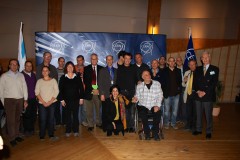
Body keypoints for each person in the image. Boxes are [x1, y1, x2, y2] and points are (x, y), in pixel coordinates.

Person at [0, 59, 28, 147]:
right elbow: (1, 91)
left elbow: (24, 87)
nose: (14, 66)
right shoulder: (4, 76)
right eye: (12, 64)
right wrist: (3, 103)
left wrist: (25, 99)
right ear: (9, 66)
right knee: (10, 121)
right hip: (9, 100)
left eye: (16, 64)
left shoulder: (21, 75)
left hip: (20, 99)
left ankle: (16, 135)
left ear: (18, 66)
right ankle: (12, 138)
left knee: (17, 119)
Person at [193, 51, 219, 139]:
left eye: (206, 57)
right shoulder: (197, 69)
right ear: (201, 59)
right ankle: (198, 129)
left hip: (208, 95)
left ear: (209, 57)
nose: (205, 59)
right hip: (198, 95)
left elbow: (213, 83)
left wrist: (204, 92)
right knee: (198, 114)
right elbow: (194, 82)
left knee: (208, 115)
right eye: (203, 58)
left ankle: (208, 131)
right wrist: (198, 91)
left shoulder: (215, 69)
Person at [133, 70, 163, 140]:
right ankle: (147, 133)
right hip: (143, 105)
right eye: (146, 75)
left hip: (154, 104)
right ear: (143, 77)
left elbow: (160, 95)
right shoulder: (139, 86)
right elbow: (137, 96)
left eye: (149, 74)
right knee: (142, 113)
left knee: (157, 113)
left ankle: (155, 133)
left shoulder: (157, 84)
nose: (148, 76)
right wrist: (135, 99)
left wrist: (157, 105)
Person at [59, 61, 84, 137]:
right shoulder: (63, 77)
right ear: (66, 68)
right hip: (66, 101)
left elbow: (81, 88)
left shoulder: (77, 77)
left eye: (71, 67)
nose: (70, 68)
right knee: (68, 116)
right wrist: (61, 100)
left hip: (76, 100)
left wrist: (81, 98)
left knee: (76, 116)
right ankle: (68, 130)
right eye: (68, 67)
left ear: (73, 68)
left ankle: (76, 130)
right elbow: (59, 89)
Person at [35, 66, 59, 141]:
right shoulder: (39, 81)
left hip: (52, 103)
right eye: (43, 70)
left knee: (51, 119)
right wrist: (43, 102)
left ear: (49, 72)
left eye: (46, 70)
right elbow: (37, 92)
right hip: (42, 104)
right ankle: (42, 135)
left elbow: (56, 92)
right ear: (42, 72)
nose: (45, 72)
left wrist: (50, 102)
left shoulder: (53, 81)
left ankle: (51, 134)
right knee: (42, 119)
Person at [116, 52, 137, 132]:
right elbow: (117, 81)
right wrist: (118, 92)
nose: (127, 60)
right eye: (126, 58)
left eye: (129, 58)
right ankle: (125, 127)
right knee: (124, 111)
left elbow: (136, 79)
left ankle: (131, 127)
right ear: (123, 59)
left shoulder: (133, 68)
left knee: (131, 110)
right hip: (122, 93)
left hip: (131, 92)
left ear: (131, 60)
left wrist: (138, 81)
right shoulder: (119, 69)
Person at [83, 53, 103, 131]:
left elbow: (102, 81)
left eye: (95, 59)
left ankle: (98, 123)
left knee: (98, 110)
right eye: (92, 59)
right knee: (89, 110)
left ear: (97, 59)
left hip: (98, 92)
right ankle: (90, 124)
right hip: (89, 93)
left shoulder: (101, 68)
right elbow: (85, 81)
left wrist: (98, 89)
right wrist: (92, 89)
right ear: (90, 60)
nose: (93, 60)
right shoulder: (86, 68)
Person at [98, 55, 117, 131]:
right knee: (105, 111)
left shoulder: (116, 70)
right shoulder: (102, 70)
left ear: (113, 60)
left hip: (114, 95)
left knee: (113, 111)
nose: (109, 61)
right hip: (105, 94)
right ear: (106, 61)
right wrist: (101, 94)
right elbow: (100, 83)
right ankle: (105, 126)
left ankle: (112, 126)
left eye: (110, 59)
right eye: (108, 60)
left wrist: (116, 94)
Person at [162, 57, 182, 130]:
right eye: (170, 61)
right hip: (167, 94)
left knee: (175, 111)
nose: (172, 63)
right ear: (167, 62)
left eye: (173, 61)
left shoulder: (178, 71)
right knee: (166, 111)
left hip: (176, 95)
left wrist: (178, 90)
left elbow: (180, 82)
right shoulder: (164, 71)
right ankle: (166, 123)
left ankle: (173, 123)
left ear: (175, 62)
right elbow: (162, 83)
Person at [22, 61, 37, 136]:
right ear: (24, 66)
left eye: (30, 66)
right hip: (26, 99)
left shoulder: (34, 75)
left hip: (34, 98)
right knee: (26, 115)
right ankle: (26, 130)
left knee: (33, 115)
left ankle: (31, 129)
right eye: (27, 66)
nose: (29, 67)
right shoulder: (21, 75)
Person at [182, 60, 197, 132]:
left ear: (195, 65)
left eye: (193, 64)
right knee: (188, 111)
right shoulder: (187, 73)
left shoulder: (199, 72)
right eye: (190, 65)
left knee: (195, 111)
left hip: (196, 94)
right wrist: (184, 81)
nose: (192, 66)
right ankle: (188, 125)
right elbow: (183, 84)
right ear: (188, 65)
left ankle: (194, 126)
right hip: (188, 94)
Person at [75, 55, 88, 127]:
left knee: (84, 107)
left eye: (80, 60)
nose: (79, 62)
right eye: (78, 60)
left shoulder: (87, 68)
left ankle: (83, 120)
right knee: (76, 107)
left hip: (84, 90)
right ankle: (76, 121)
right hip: (76, 91)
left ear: (83, 61)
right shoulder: (73, 67)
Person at [176, 56, 187, 125]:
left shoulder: (187, 68)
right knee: (177, 104)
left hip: (184, 88)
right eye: (177, 60)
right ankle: (177, 118)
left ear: (182, 61)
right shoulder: (173, 69)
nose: (179, 61)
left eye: (180, 60)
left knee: (183, 104)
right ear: (175, 62)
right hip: (176, 88)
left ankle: (183, 119)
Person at [55, 57, 65, 127]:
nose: (62, 62)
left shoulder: (66, 71)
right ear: (58, 62)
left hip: (64, 92)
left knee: (65, 108)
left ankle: (64, 122)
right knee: (57, 108)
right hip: (56, 92)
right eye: (60, 61)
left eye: (63, 61)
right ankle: (58, 122)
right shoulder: (55, 70)